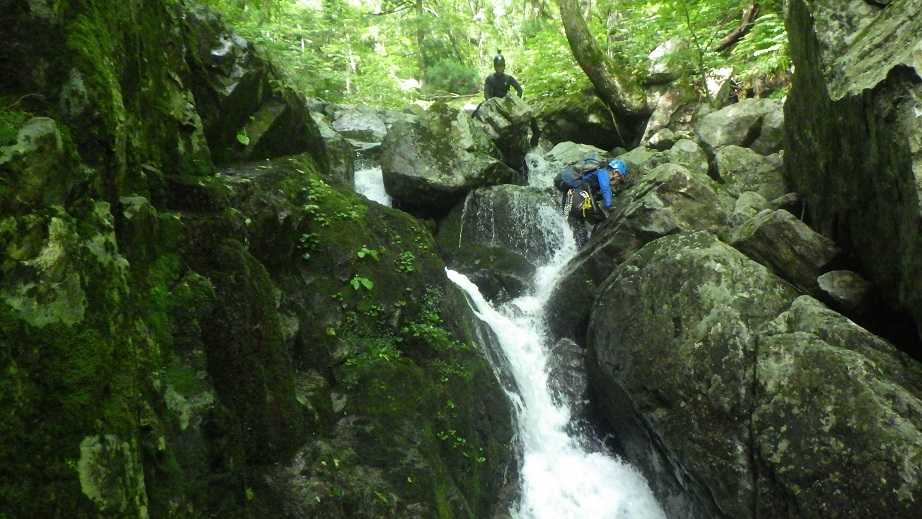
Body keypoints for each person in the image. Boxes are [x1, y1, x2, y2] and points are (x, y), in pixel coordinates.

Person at [555, 159, 629, 246]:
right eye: (620, 180)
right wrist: (609, 206)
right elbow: (605, 188)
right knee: (600, 219)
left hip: (570, 196)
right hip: (578, 194)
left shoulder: (592, 175)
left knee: (579, 230)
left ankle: (580, 248)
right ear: (616, 173)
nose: (618, 183)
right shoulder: (603, 172)